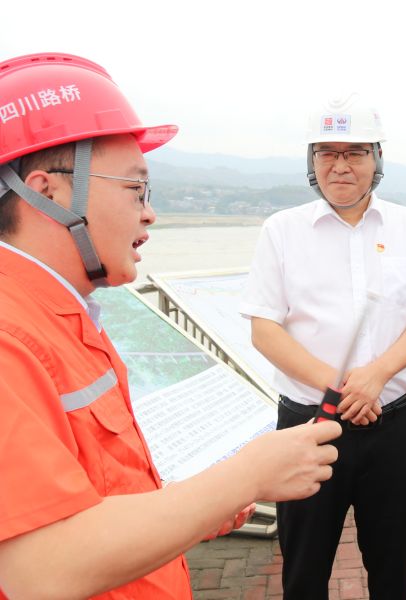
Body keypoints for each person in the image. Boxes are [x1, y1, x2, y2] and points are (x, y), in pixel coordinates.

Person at [0, 53, 341, 600]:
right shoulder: (10, 336)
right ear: (48, 191)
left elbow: (94, 495)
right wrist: (247, 475)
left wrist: (197, 506)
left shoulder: (59, 312)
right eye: (135, 189)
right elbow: (40, 570)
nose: (149, 214)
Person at [240, 93, 406, 599]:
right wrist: (342, 388)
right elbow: (264, 328)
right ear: (311, 162)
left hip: (394, 426)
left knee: (393, 568)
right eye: (326, 153)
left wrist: (376, 376)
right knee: (304, 571)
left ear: (377, 159)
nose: (340, 165)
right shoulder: (282, 230)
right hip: (309, 425)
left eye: (355, 152)